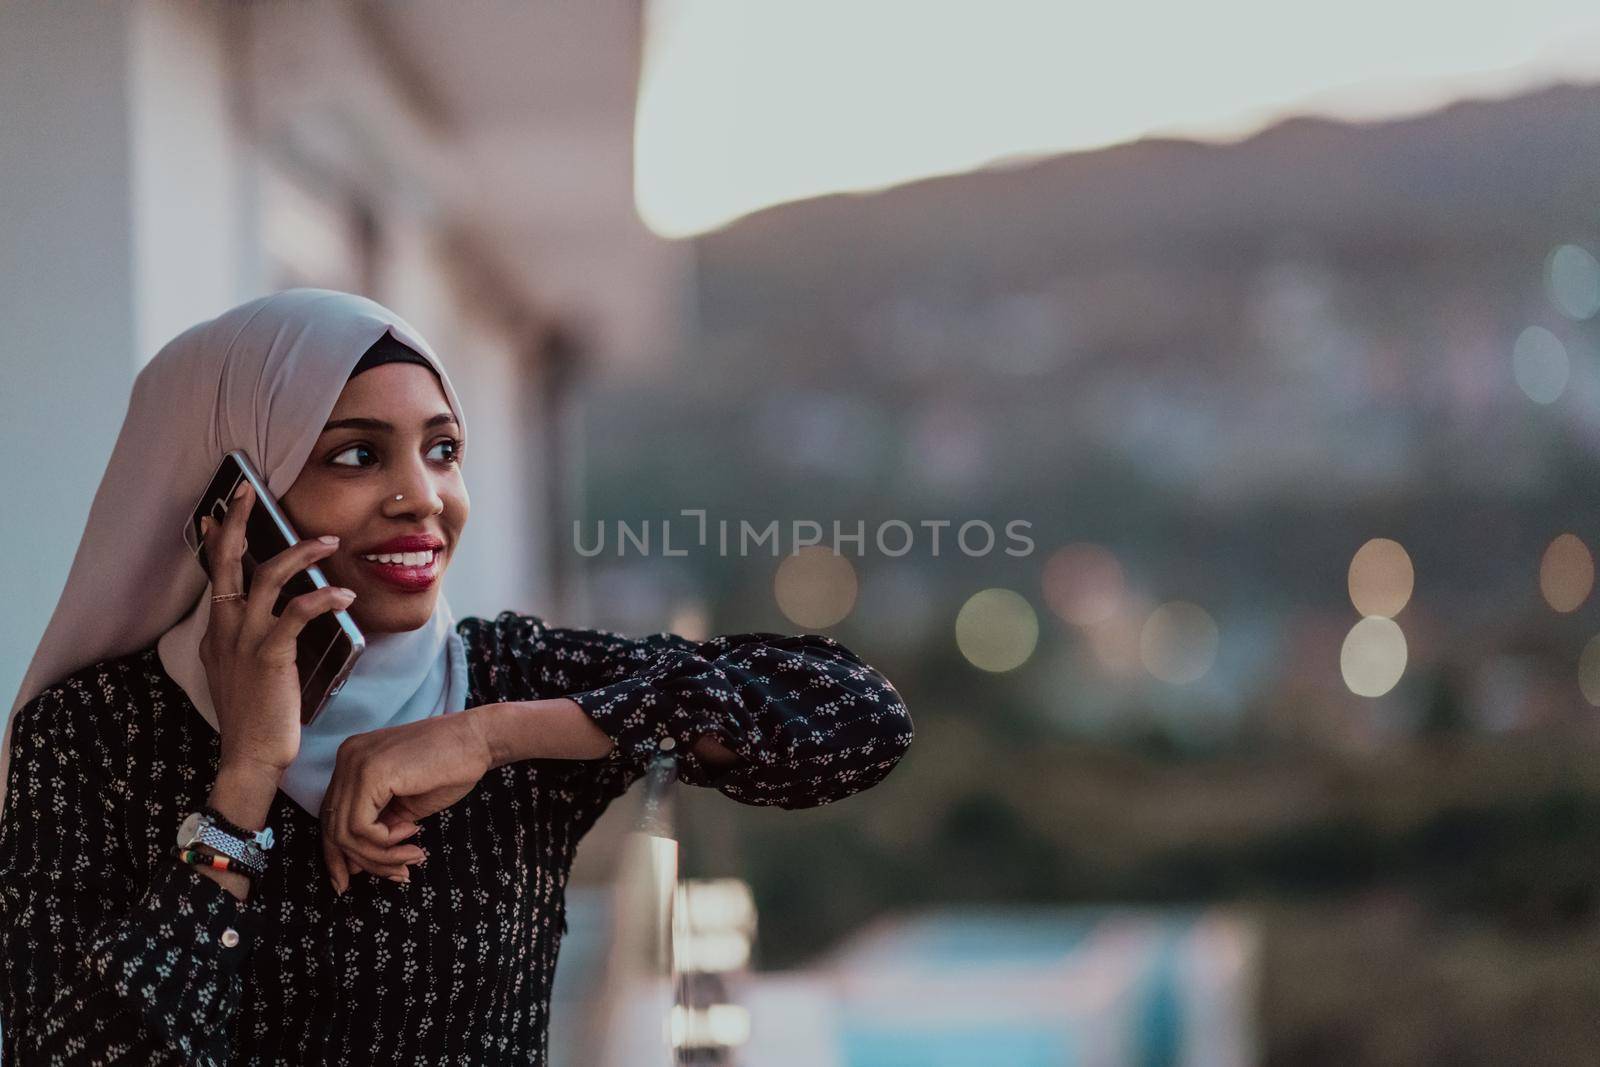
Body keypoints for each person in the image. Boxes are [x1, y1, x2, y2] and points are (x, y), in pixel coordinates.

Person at [0, 289, 914, 1065]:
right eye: (356, 454)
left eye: (442, 450)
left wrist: (490, 733)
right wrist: (244, 781)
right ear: (233, 502)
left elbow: (858, 722)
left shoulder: (508, 676)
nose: (422, 497)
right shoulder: (90, 733)